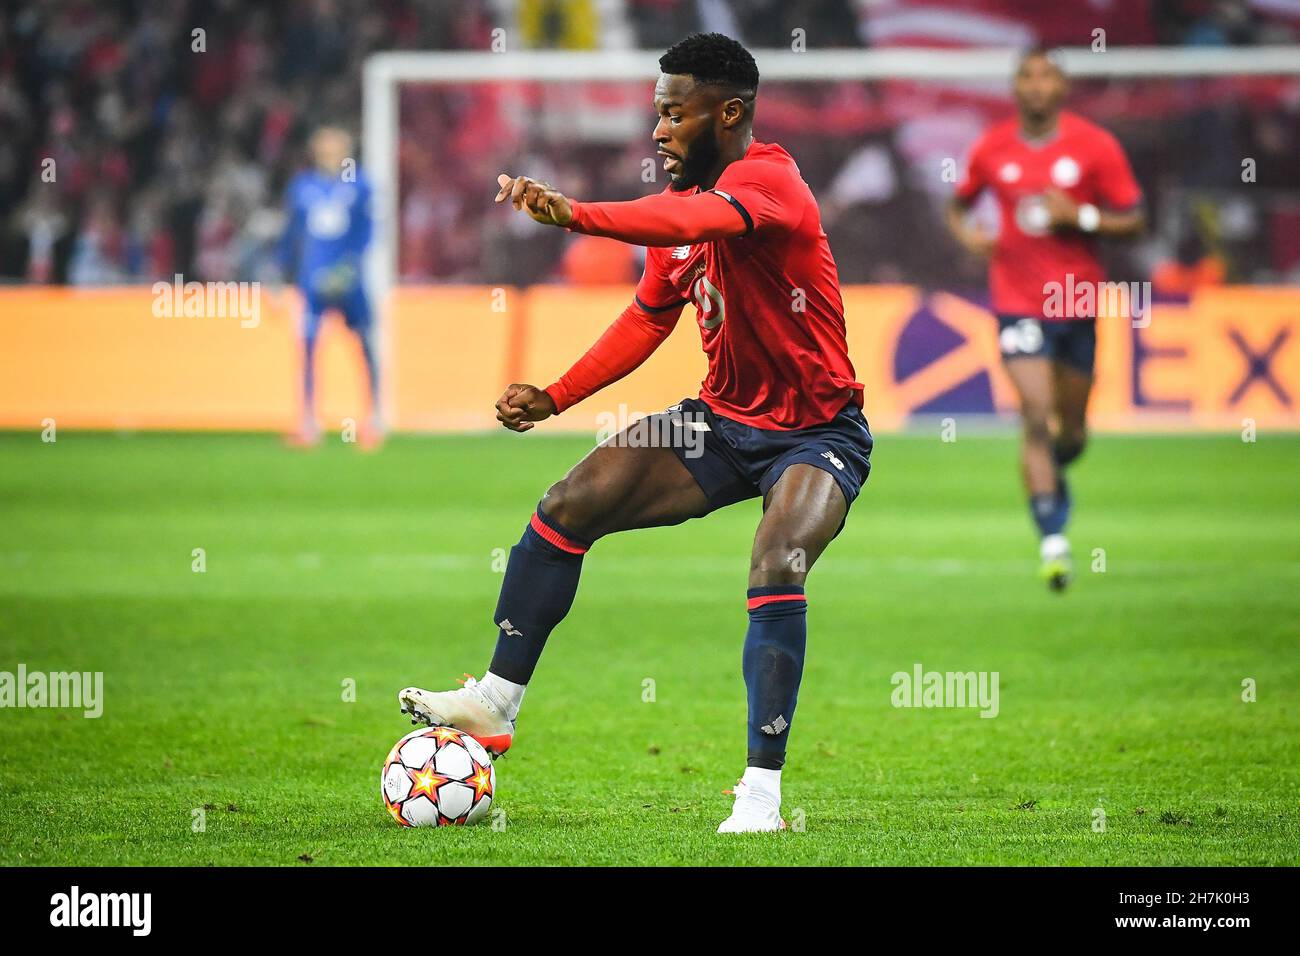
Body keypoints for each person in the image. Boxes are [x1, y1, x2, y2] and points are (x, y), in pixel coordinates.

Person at [398, 33, 871, 833]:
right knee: (568, 503)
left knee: (776, 557)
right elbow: (647, 320)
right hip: (721, 424)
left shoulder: (771, 184)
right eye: (656, 113)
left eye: (672, 113)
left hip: (816, 433)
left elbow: (682, 219)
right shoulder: (683, 220)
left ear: (728, 113)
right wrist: (555, 395)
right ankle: (495, 701)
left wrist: (576, 215)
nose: (657, 130)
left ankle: (760, 795)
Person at [946, 48, 1144, 590]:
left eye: (1046, 76)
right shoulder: (992, 148)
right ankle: (1054, 541)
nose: (1035, 86)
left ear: (1062, 88)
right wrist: (972, 238)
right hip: (1016, 301)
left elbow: (1135, 219)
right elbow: (959, 204)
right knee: (1035, 416)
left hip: (1075, 304)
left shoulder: (1095, 146)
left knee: (1071, 435)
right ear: (1015, 89)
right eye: (1026, 77)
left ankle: (1052, 474)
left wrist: (1077, 215)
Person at [279, 125, 380, 448]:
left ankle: (373, 418)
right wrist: (284, 278)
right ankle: (309, 422)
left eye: (336, 146)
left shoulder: (361, 186)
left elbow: (368, 233)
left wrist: (348, 268)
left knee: (365, 345)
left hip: (350, 283)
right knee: (307, 346)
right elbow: (291, 236)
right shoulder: (302, 187)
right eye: (325, 146)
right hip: (312, 282)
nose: (330, 152)